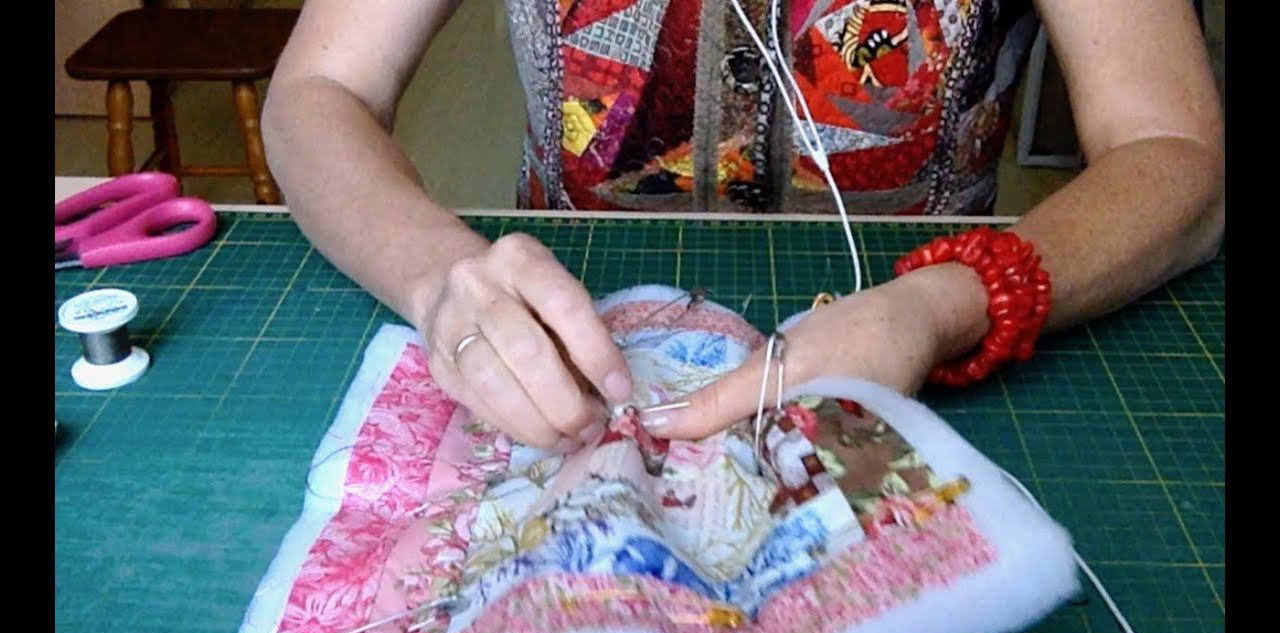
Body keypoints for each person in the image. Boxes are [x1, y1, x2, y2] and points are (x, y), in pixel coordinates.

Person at [261, 0, 1223, 453]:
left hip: (942, 351)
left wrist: (946, 307)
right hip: (568, 345)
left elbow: (1176, 152)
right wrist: (437, 274)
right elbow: (320, 90)